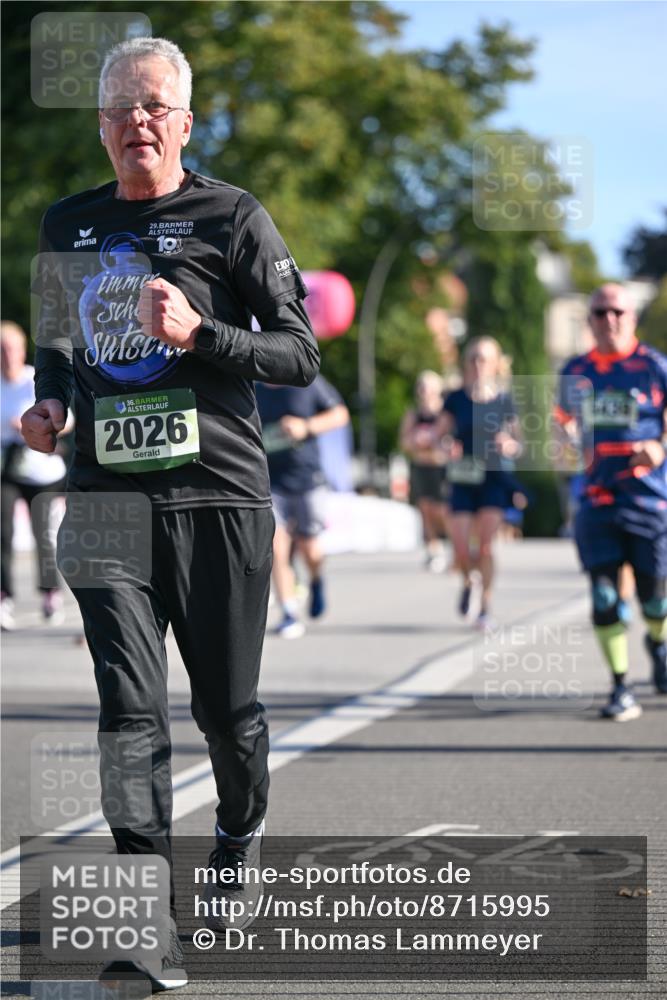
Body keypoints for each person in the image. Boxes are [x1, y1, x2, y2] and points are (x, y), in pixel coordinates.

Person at [21, 37, 319, 991]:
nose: (135, 123)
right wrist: (51, 401)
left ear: (185, 123)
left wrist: (203, 333)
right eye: (119, 109)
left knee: (226, 715)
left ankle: (238, 831)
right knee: (127, 712)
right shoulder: (65, 225)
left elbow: (298, 355)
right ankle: (144, 910)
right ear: (102, 127)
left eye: (153, 106)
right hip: (108, 500)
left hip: (221, 495)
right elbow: (57, 345)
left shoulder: (232, 217)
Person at [555, 283, 667, 721]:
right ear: (589, 321)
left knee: (654, 601)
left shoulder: (655, 367)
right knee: (603, 596)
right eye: (600, 313)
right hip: (596, 499)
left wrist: (660, 446)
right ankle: (621, 686)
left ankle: (657, 641)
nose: (609, 320)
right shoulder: (575, 370)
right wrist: (564, 439)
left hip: (648, 501)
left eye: (617, 311)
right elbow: (562, 424)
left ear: (632, 317)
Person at [255, 375, 349, 637]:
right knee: (275, 546)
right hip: (270, 482)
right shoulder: (253, 388)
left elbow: (340, 414)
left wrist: (305, 426)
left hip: (307, 479)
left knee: (310, 548)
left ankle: (316, 579)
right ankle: (288, 612)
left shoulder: (306, 383)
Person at [440, 337, 522, 630]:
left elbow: (518, 442)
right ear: (466, 362)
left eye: (484, 358)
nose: (478, 364)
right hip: (463, 477)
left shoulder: (504, 401)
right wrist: (447, 445)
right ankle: (467, 580)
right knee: (462, 549)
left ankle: (485, 607)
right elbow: (442, 434)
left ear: (496, 364)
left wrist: (509, 445)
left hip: (493, 477)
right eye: (473, 357)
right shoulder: (455, 398)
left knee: (485, 547)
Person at [1, 321, 71, 629]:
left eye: (12, 348)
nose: (7, 355)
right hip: (7, 470)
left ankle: (50, 593)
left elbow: (68, 421)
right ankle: (5, 596)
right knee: (2, 533)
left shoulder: (37, 378)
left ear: (22, 350)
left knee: (44, 535)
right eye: (1, 350)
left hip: (42, 470)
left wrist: (36, 426)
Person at [399, 370, 450, 573]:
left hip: (441, 467)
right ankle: (433, 549)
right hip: (421, 466)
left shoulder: (445, 414)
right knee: (425, 509)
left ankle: (454, 545)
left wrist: (436, 443)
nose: (424, 392)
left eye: (428, 387)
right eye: (421, 387)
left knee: (443, 510)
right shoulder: (413, 414)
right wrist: (416, 441)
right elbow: (404, 441)